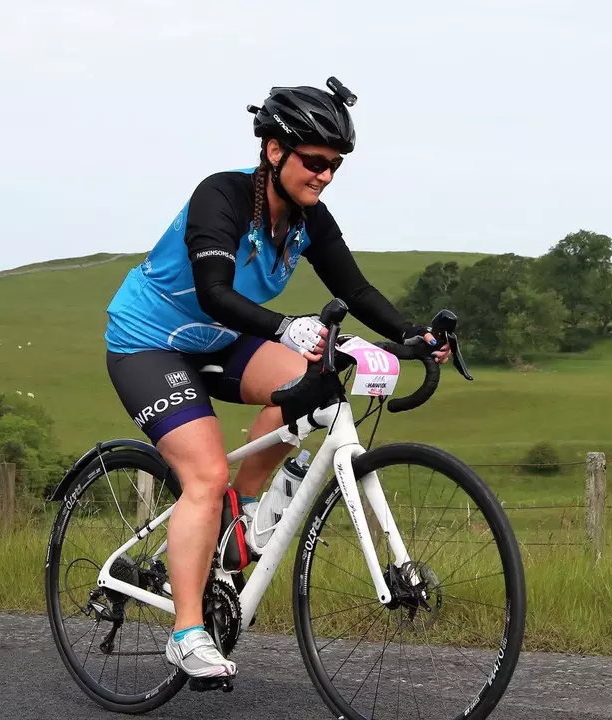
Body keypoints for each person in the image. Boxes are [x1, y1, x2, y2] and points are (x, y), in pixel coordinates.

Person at [101, 78, 449, 680]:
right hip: (150, 343)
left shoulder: (310, 218)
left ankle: (245, 513)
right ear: (274, 150)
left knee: (320, 385)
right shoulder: (222, 197)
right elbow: (213, 293)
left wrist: (415, 336)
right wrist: (286, 327)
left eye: (335, 166)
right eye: (314, 162)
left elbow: (355, 288)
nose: (325, 176)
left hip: (223, 341)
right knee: (204, 475)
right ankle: (186, 634)